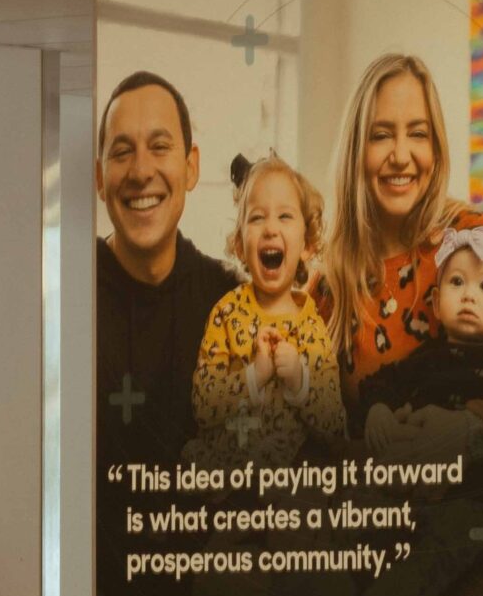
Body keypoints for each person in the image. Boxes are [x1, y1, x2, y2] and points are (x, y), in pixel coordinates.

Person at [321, 53, 483, 427]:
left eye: (417, 133)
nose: (401, 156)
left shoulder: (474, 238)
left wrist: (470, 429)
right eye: (381, 136)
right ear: (356, 150)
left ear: (436, 147)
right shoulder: (328, 283)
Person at [96, 71, 238, 469]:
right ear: (99, 178)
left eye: (160, 147)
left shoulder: (228, 299)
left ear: (191, 167)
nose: (141, 171)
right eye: (122, 152)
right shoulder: (62, 295)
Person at [186, 155, 341, 470]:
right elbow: (203, 406)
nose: (270, 228)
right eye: (257, 218)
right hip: (228, 478)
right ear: (241, 245)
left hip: (290, 486)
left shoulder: (312, 325)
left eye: (285, 216)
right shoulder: (226, 313)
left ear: (307, 245)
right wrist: (254, 376)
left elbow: (334, 423)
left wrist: (299, 379)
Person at [362, 224, 483, 432]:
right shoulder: (427, 358)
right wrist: (379, 410)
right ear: (436, 303)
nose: (469, 296)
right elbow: (378, 384)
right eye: (457, 281)